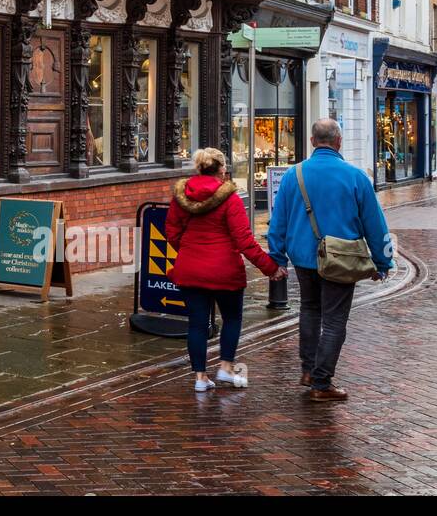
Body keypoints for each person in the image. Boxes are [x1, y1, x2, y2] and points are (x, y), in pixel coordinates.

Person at [269, 118, 393, 402]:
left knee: (310, 310)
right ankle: (321, 383)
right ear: (339, 142)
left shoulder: (293, 175)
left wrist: (276, 257)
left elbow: (278, 222)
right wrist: (382, 262)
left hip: (302, 257)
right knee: (335, 320)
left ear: (313, 141)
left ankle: (309, 370)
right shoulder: (355, 176)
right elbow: (375, 224)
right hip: (341, 260)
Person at [167, 147, 285, 393]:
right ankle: (226, 368)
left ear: (198, 168)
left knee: (197, 324)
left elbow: (172, 233)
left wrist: (189, 251)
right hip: (225, 271)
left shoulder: (181, 196)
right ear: (222, 169)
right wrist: (270, 268)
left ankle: (200, 378)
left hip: (190, 269)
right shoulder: (230, 198)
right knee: (231, 318)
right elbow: (244, 240)